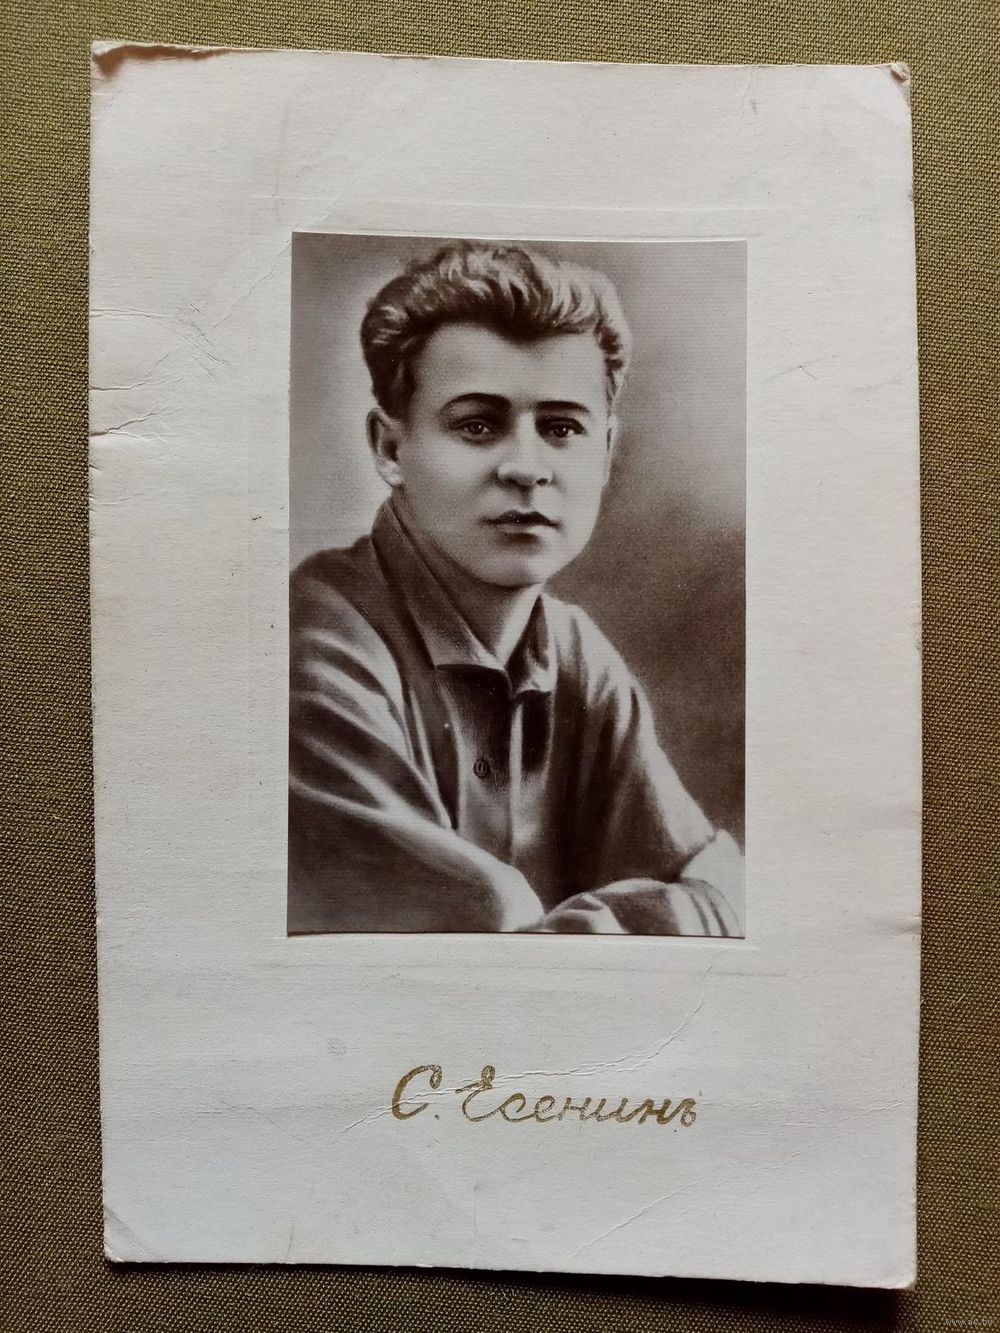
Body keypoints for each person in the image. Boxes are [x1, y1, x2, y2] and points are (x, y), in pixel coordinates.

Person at [288, 241, 744, 935]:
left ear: (606, 450)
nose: (526, 468)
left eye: (561, 428)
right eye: (478, 425)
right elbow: (484, 935)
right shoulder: (314, 650)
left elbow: (726, 889)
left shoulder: (573, 652)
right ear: (389, 448)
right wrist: (665, 917)